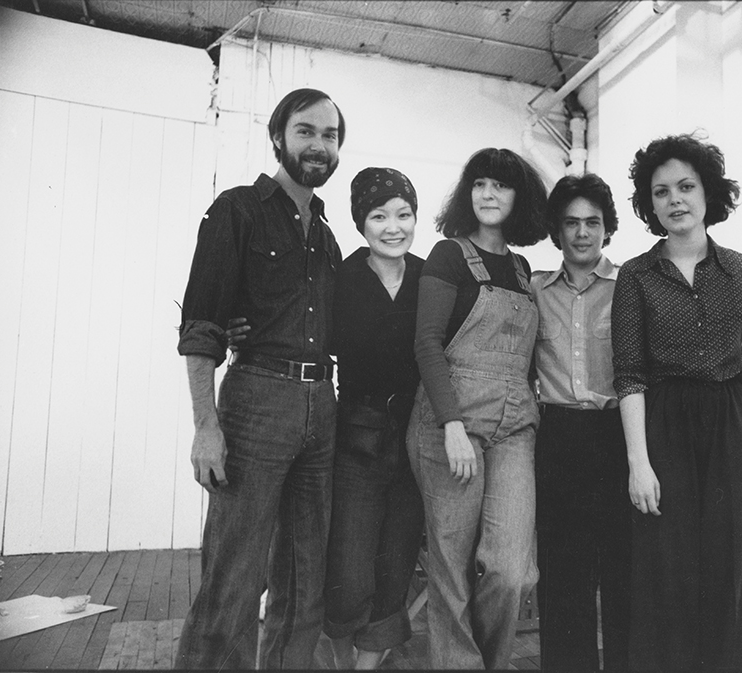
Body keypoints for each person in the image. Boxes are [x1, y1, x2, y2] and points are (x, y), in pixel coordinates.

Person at [612, 134, 742, 670]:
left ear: (707, 192)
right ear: (649, 205)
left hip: (731, 419)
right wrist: (638, 463)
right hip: (662, 424)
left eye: (686, 187)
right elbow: (628, 374)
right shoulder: (636, 275)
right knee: (665, 568)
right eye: (662, 191)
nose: (675, 200)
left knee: (732, 566)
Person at [174, 88, 345, 670]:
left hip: (322, 407)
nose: (318, 145)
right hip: (255, 405)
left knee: (304, 582)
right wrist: (206, 427)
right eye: (306, 131)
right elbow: (201, 326)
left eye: (330, 135)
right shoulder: (238, 209)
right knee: (234, 578)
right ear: (279, 137)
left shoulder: (327, 238)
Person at [406, 147, 548, 669]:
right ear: (469, 193)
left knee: (512, 570)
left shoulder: (521, 267)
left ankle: (486, 662)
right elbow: (426, 344)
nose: (489, 195)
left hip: (515, 426)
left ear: (519, 198)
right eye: (481, 184)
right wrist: (451, 425)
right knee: (450, 568)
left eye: (502, 186)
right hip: (452, 424)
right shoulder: (448, 255)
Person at [321, 167, 425, 669]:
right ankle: (342, 661)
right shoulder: (342, 277)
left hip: (414, 443)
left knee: (395, 570)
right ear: (361, 223)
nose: (393, 226)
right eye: (379, 215)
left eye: (403, 214)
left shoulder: (431, 277)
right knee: (349, 573)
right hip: (356, 442)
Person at [530, 173, 631, 672]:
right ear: (558, 231)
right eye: (572, 223)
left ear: (607, 228)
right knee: (562, 579)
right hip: (557, 439)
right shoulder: (533, 290)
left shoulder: (631, 288)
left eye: (593, 222)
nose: (583, 232)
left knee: (623, 576)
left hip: (617, 437)